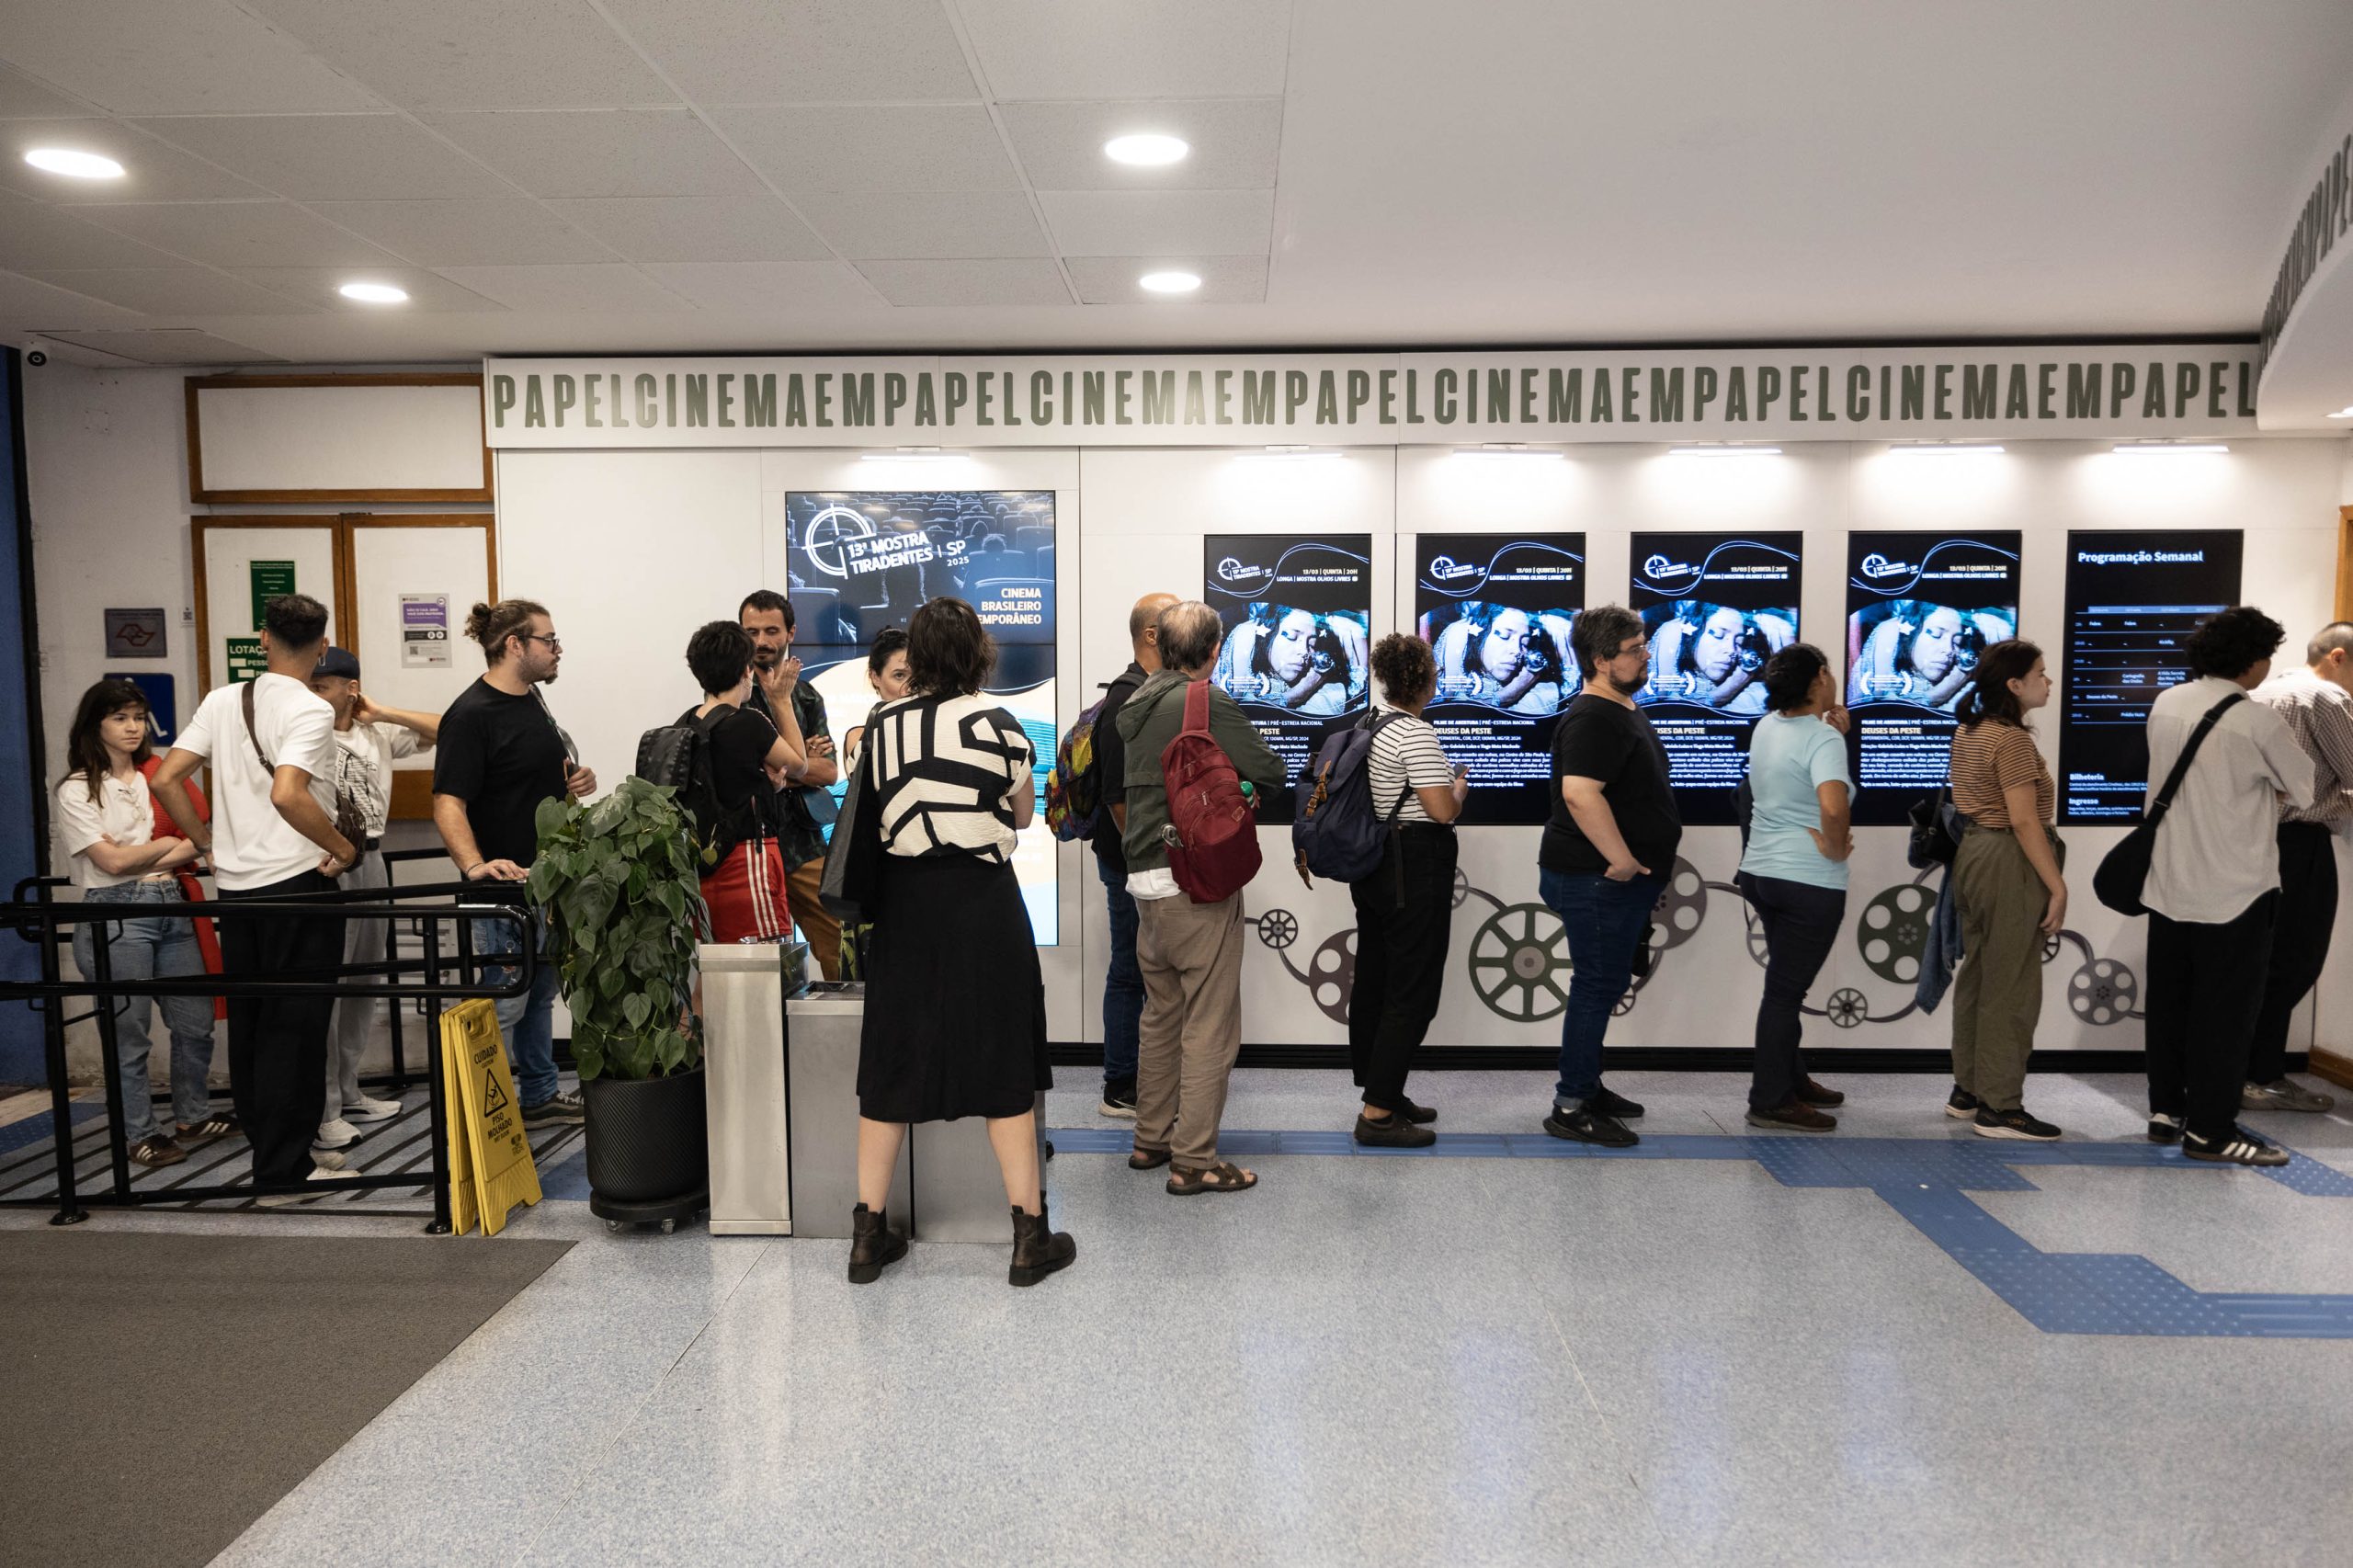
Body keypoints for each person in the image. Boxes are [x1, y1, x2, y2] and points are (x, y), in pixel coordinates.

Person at [847, 597, 1074, 1288]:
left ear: (914, 656)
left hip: (905, 908)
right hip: (983, 906)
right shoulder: (999, 725)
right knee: (1003, 1059)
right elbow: (1024, 815)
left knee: (892, 1060)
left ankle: (867, 1238)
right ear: (979, 653)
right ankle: (1028, 1238)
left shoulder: (881, 726)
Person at [151, 594, 359, 1200]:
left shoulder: (223, 700)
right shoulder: (311, 708)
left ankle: (274, 1156)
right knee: (297, 1030)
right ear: (323, 646)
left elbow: (166, 777)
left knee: (253, 1028)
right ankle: (283, 1172)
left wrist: (206, 843)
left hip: (237, 892)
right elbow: (288, 794)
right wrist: (342, 849)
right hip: (298, 887)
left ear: (263, 639)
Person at [1118, 601, 1288, 1192]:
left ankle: (1150, 1139)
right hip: (1193, 878)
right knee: (1210, 1023)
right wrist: (1243, 785)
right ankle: (1194, 1161)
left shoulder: (1135, 704)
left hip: (1144, 876)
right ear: (1214, 650)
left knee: (1161, 1014)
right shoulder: (1203, 700)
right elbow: (1269, 771)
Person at [2141, 608, 2316, 1165]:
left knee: (2170, 1004)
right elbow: (2305, 789)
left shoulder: (2167, 703)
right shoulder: (2256, 720)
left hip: (2167, 881)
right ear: (2252, 660)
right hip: (2235, 889)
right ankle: (2211, 1131)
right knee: (2226, 1014)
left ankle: (2166, 1112)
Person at [431, 598, 596, 1127]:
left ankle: (539, 1095)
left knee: (539, 995)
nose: (557, 649)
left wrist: (577, 781)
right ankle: (483, 1121)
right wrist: (474, 866)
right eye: (549, 640)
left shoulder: (534, 701)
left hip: (544, 881)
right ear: (514, 645)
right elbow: (448, 802)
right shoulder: (470, 715)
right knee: (503, 1003)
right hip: (500, 892)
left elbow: (536, 778)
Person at [53, 679, 213, 1169]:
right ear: (95, 724)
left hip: (172, 903)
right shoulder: (78, 787)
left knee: (195, 1023)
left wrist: (147, 852)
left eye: (139, 718)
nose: (133, 727)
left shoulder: (158, 776)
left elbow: (201, 837)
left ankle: (192, 1116)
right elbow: (111, 863)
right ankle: (139, 1133)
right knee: (130, 1035)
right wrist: (167, 846)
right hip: (115, 912)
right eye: (120, 717)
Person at [1537, 605, 1678, 1147]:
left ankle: (1588, 1086)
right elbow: (1579, 793)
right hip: (1595, 878)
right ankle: (1571, 1105)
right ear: (1600, 659)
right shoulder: (1594, 716)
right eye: (1633, 650)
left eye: (1644, 646)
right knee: (1596, 986)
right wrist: (1620, 859)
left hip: (1607, 880)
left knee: (1605, 983)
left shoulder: (1619, 707)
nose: (1645, 656)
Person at [306, 647, 438, 1149]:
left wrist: (381, 712)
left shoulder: (375, 733)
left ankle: (349, 1090)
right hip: (328, 860)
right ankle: (324, 1110)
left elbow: (449, 729)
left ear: (351, 688)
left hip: (372, 858)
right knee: (332, 983)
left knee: (364, 981)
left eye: (322, 687)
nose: (313, 695)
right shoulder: (305, 731)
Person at [1347, 633, 1467, 1147]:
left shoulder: (1369, 723)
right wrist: (1458, 788)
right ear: (1423, 681)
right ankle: (1377, 1114)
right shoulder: (1415, 733)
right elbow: (1440, 810)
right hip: (1413, 866)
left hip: (1376, 865)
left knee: (1377, 980)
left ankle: (1384, 1090)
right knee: (1412, 988)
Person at [1942, 640, 2065, 1139]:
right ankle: (2001, 1107)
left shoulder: (1970, 729)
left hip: (1973, 854)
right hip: (2008, 860)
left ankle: (1969, 1089)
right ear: (2014, 685)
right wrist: (2057, 886)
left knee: (1979, 975)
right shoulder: (2011, 741)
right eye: (2040, 673)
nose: (2048, 681)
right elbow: (2024, 821)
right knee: (2012, 985)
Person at [1733, 644, 1853, 1131]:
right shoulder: (1822, 739)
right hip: (1808, 881)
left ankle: (1792, 1078)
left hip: (1762, 874)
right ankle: (1770, 1100)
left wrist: (1836, 736)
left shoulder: (1767, 726)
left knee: (1784, 985)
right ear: (1820, 677)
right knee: (1785, 994)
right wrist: (1836, 846)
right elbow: (1832, 804)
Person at [2245, 621, 2353, 1114]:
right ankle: (2262, 1076)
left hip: (2253, 841)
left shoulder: (2265, 692)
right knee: (2297, 960)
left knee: (2260, 960)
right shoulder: (2326, 697)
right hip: (2299, 843)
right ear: (2337, 657)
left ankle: (2242, 1072)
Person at [1092, 591, 1177, 1119]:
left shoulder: (1150, 693)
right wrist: (1143, 859)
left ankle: (1145, 1077)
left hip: (1140, 860)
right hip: (1130, 863)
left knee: (1147, 970)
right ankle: (1120, 1085)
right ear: (1151, 635)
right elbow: (1117, 798)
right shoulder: (1127, 700)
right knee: (1129, 970)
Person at [681, 620, 806, 944]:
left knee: (711, 965)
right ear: (745, 671)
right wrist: (781, 701)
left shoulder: (685, 724)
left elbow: (722, 787)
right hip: (749, 864)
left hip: (700, 870)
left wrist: (767, 787)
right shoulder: (749, 722)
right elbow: (799, 765)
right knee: (761, 963)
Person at [739, 591, 840, 978]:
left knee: (841, 941)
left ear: (791, 633)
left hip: (804, 844)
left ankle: (851, 1017)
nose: (761, 641)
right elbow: (751, 769)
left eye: (771, 631)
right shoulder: (733, 694)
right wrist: (800, 759)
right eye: (752, 632)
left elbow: (827, 773)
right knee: (757, 962)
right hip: (749, 848)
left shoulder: (807, 695)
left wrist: (789, 766)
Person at [1217, 603, 1369, 714]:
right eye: (1291, 637)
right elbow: (1235, 713)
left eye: (1312, 644)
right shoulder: (1248, 634)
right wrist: (1301, 690)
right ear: (1267, 634)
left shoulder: (1323, 684)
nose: (1304, 651)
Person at [1433, 602, 1574, 713]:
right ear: (1480, 634)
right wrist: (1512, 691)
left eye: (1525, 643)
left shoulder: (1542, 690)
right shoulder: (1460, 633)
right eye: (1504, 636)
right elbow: (1449, 711)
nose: (1517, 651)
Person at [840, 629, 911, 759]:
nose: (911, 687)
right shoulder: (858, 739)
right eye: (899, 675)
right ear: (875, 677)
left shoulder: (938, 732)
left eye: (918, 675)